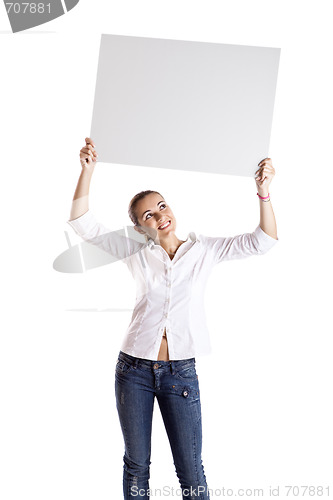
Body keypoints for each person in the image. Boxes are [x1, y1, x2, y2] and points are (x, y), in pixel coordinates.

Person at [67, 137, 278, 499]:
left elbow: (264, 241)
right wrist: (87, 171)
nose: (160, 215)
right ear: (139, 227)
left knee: (190, 468)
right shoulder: (135, 250)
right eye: (149, 214)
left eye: (162, 206)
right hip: (133, 370)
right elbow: (82, 223)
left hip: (180, 371)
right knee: (137, 464)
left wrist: (263, 193)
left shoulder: (205, 251)